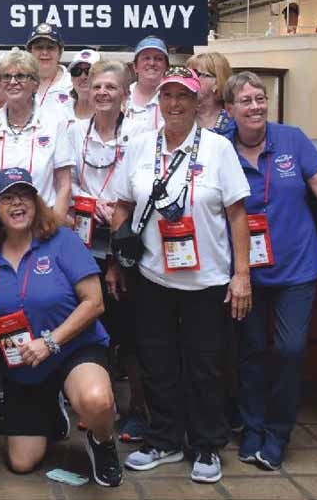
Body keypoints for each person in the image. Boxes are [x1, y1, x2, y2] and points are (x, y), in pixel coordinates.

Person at [107, 66, 252, 484]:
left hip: (207, 281)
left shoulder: (218, 149)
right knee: (158, 362)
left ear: (197, 102)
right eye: (167, 97)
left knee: (206, 366)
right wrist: (118, 258)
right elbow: (121, 205)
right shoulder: (139, 145)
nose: (174, 104)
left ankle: (207, 445)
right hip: (153, 277)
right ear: (159, 103)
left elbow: (237, 213)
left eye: (183, 97)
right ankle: (164, 439)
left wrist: (241, 275)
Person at [223, 71, 317, 470]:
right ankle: (252, 429)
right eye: (245, 101)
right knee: (250, 352)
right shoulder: (220, 149)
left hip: (296, 267)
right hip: (246, 271)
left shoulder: (292, 139)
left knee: (289, 349)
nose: (255, 107)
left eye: (259, 99)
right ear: (230, 109)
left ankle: (278, 432)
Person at [0, 167, 122, 487]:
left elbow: (94, 303)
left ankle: (103, 442)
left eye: (24, 195)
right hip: (24, 365)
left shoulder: (62, 239)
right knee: (22, 463)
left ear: (36, 202)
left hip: (73, 348)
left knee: (97, 401)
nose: (17, 204)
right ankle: (53, 410)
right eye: (7, 198)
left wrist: (50, 342)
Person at [66, 61, 150, 442]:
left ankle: (139, 412)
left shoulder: (140, 134)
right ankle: (97, 405)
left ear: (124, 93)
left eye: (111, 87)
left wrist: (116, 207)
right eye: (97, 85)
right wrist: (87, 201)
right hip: (82, 239)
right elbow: (67, 182)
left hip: (124, 241)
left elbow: (139, 185)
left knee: (129, 331)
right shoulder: (73, 132)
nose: (102, 92)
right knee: (90, 326)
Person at [0, 49, 74, 232]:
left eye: (21, 76)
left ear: (35, 84)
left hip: (39, 223)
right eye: (6, 77)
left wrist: (55, 224)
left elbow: (64, 184)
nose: (13, 82)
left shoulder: (54, 124)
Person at [27, 23, 73, 121]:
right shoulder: (19, 82)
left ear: (60, 53)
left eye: (50, 47)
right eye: (39, 47)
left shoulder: (73, 83)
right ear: (30, 52)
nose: (44, 52)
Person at [126, 36, 169, 131]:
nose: (152, 63)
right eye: (146, 58)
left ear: (166, 67)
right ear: (135, 67)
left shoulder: (173, 100)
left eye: (158, 59)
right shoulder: (122, 97)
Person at [188, 52, 234, 134]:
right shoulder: (182, 118)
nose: (188, 79)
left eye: (195, 74)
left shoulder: (234, 122)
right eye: (188, 74)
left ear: (217, 82)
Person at [66, 49, 100, 125]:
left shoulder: (111, 113)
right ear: (71, 78)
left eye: (89, 71)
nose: (83, 76)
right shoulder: (62, 110)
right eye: (76, 71)